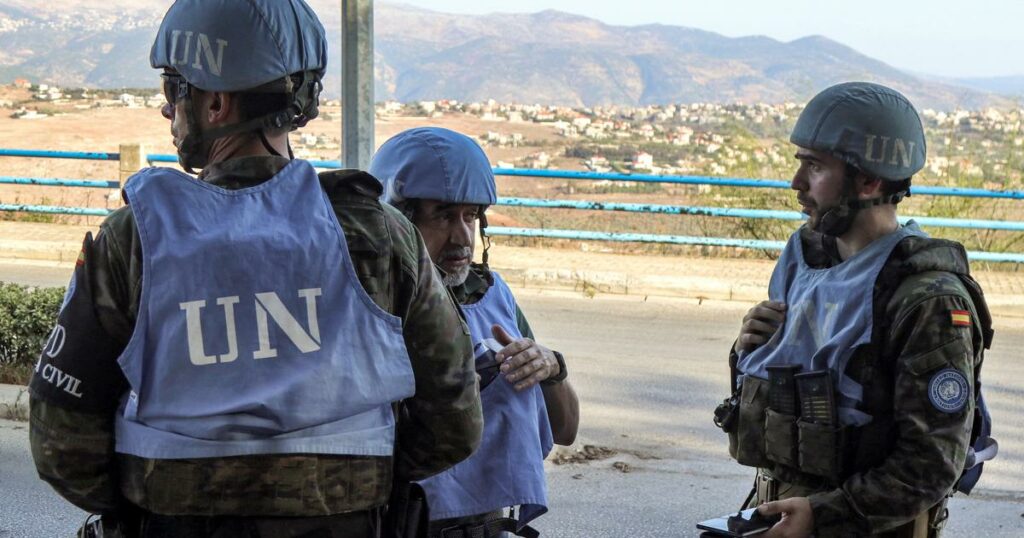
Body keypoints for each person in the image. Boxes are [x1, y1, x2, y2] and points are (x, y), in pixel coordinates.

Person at [28, 1, 482, 536]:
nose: (166, 109)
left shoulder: (134, 238)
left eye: (175, 88)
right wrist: (352, 487)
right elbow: (454, 419)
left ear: (216, 102)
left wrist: (144, 502)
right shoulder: (379, 234)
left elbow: (62, 442)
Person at [718, 82, 995, 537]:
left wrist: (822, 515)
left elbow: (930, 464)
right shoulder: (809, 261)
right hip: (780, 515)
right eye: (799, 163)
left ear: (869, 181)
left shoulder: (926, 298)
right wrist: (748, 350)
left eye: (815, 167)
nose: (797, 184)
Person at [369, 127, 580, 538]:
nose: (463, 236)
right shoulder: (371, 303)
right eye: (444, 216)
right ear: (397, 221)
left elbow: (566, 430)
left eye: (471, 216)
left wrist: (551, 368)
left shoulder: (490, 296)